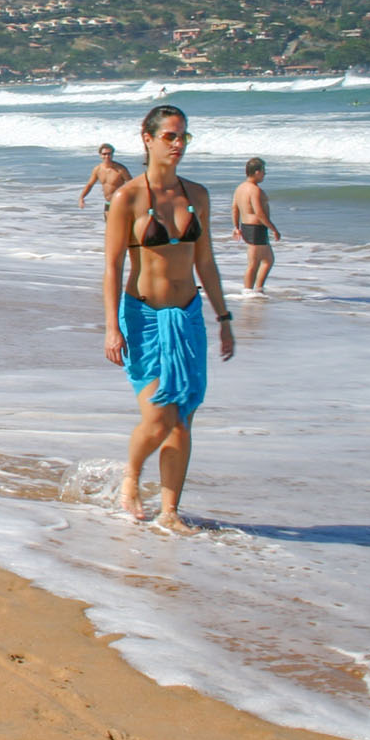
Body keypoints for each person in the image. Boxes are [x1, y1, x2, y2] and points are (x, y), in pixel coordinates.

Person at [102, 104, 235, 533]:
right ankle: (131, 478)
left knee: (184, 416)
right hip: (143, 318)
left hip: (188, 317)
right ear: (148, 139)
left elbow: (207, 262)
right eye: (170, 137)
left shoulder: (197, 195)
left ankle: (171, 510)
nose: (178, 145)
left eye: (184, 137)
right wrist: (111, 326)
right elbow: (112, 267)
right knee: (159, 416)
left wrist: (224, 316)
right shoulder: (129, 197)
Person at [231, 157, 282, 293]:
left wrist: (236, 227)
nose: (265, 174)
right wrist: (274, 229)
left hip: (247, 227)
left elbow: (234, 208)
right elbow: (259, 213)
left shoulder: (240, 188)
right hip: (256, 229)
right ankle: (249, 291)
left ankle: (257, 290)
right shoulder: (254, 190)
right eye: (264, 171)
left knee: (267, 260)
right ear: (257, 172)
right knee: (255, 263)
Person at [78, 143, 132, 215]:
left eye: (109, 154)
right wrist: (82, 197)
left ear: (112, 155)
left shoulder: (120, 169)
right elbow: (90, 184)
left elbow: (131, 184)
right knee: (108, 225)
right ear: (100, 155)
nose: (107, 156)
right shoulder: (97, 169)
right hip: (108, 203)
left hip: (120, 202)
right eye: (104, 154)